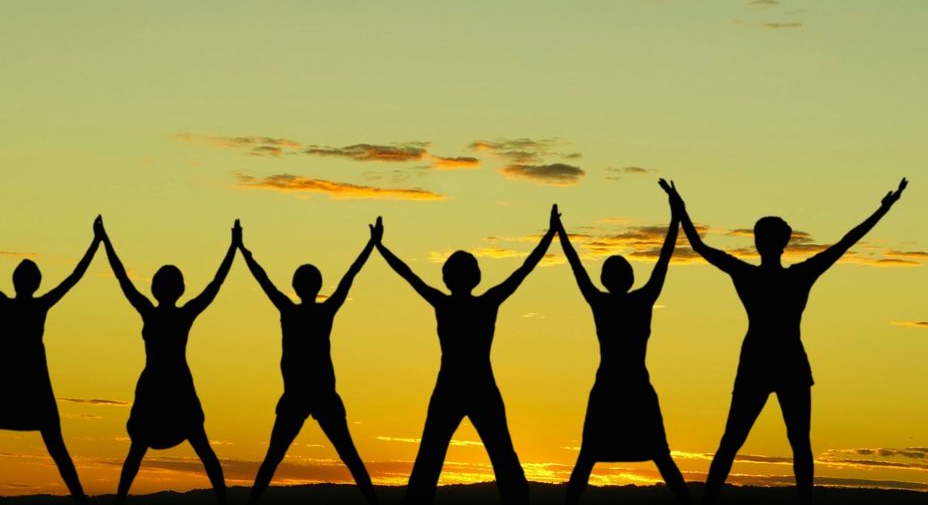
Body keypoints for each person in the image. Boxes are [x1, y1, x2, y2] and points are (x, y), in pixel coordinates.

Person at [663, 178, 908, 505]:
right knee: (792, 443)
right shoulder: (796, 275)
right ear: (783, 244)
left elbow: (699, 246)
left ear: (759, 243)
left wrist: (679, 208)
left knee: (737, 441)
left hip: (767, 363)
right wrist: (883, 210)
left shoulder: (750, 274)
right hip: (782, 361)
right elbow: (846, 242)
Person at [374, 208, 557, 505]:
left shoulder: (446, 303)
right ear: (476, 277)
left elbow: (409, 275)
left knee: (434, 457)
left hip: (454, 387)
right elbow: (524, 270)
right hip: (477, 386)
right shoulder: (485, 302)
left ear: (447, 279)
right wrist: (550, 235)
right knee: (500, 456)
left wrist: (381, 247)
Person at [0, 209, 100, 505]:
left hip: (15, 385)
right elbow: (74, 277)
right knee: (56, 451)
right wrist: (96, 242)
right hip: (23, 385)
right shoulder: (35, 305)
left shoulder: (7, 303)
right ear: (35, 283)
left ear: (18, 282)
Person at [554, 182, 689, 504]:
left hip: (618, 385)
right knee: (654, 454)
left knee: (593, 457)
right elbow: (664, 259)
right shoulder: (639, 300)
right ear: (627, 278)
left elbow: (577, 267)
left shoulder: (606, 302)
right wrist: (676, 215)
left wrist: (560, 232)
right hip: (628, 385)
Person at [239, 218, 382, 505]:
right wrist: (371, 245)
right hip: (306, 395)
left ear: (296, 286)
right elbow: (349, 276)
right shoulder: (318, 311)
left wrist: (243, 250)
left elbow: (263, 279)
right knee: (347, 457)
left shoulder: (293, 311)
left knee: (276, 458)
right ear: (316, 286)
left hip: (311, 395)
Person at [102, 217, 240, 505]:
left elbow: (122, 278)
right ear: (179, 289)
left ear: (156, 288)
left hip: (163, 386)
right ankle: (224, 501)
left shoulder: (153, 312)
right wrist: (234, 247)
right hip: (169, 386)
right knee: (198, 449)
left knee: (141, 450)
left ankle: (119, 500)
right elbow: (216, 284)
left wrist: (104, 240)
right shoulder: (179, 313)